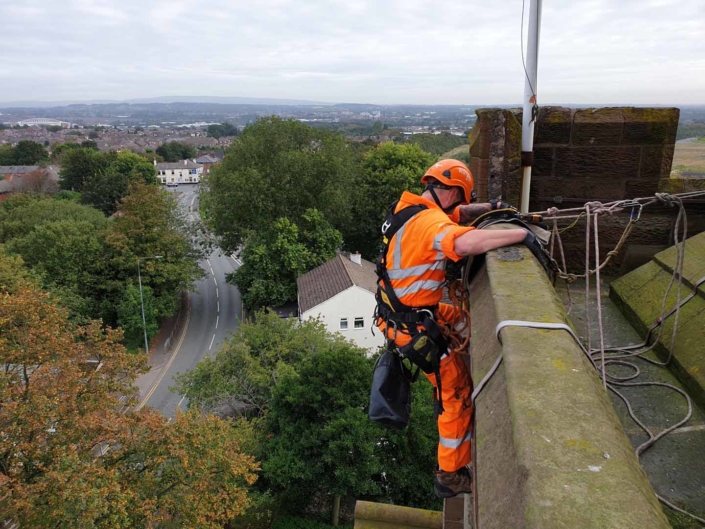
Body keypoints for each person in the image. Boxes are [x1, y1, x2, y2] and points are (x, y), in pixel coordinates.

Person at [374, 159, 544, 498]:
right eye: (461, 197)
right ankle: (449, 475)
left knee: (466, 320)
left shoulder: (408, 208)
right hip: (414, 326)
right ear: (451, 191)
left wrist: (493, 208)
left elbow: (457, 216)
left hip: (407, 313)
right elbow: (464, 242)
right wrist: (522, 234)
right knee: (454, 392)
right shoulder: (430, 225)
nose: (462, 206)